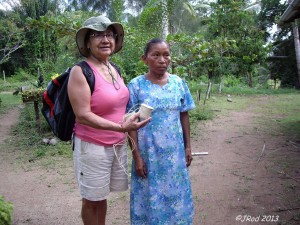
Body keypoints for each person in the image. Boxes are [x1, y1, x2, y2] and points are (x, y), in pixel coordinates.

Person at [67, 15, 150, 225]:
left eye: (109, 35)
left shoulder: (114, 69)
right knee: (91, 200)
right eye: (97, 35)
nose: (105, 40)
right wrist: (121, 127)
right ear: (87, 42)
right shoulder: (80, 71)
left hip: (116, 145)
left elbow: (116, 105)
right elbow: (83, 115)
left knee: (102, 197)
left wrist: (132, 117)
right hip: (92, 147)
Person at [127, 38, 195, 224]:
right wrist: (137, 157)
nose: (162, 60)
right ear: (145, 58)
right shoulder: (136, 86)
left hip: (175, 155)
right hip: (148, 154)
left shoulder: (179, 83)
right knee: (149, 196)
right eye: (155, 55)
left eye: (166, 55)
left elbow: (184, 115)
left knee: (176, 194)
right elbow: (130, 124)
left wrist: (188, 147)